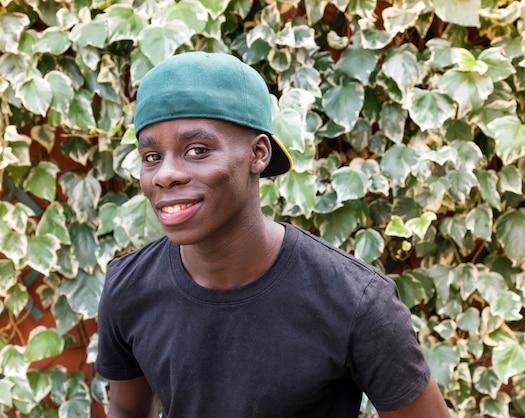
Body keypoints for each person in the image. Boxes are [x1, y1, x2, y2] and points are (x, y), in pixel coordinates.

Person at [95, 51, 449, 418]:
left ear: (258, 154)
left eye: (197, 150)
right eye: (151, 156)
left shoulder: (355, 301)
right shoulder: (129, 287)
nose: (165, 175)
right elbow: (125, 410)